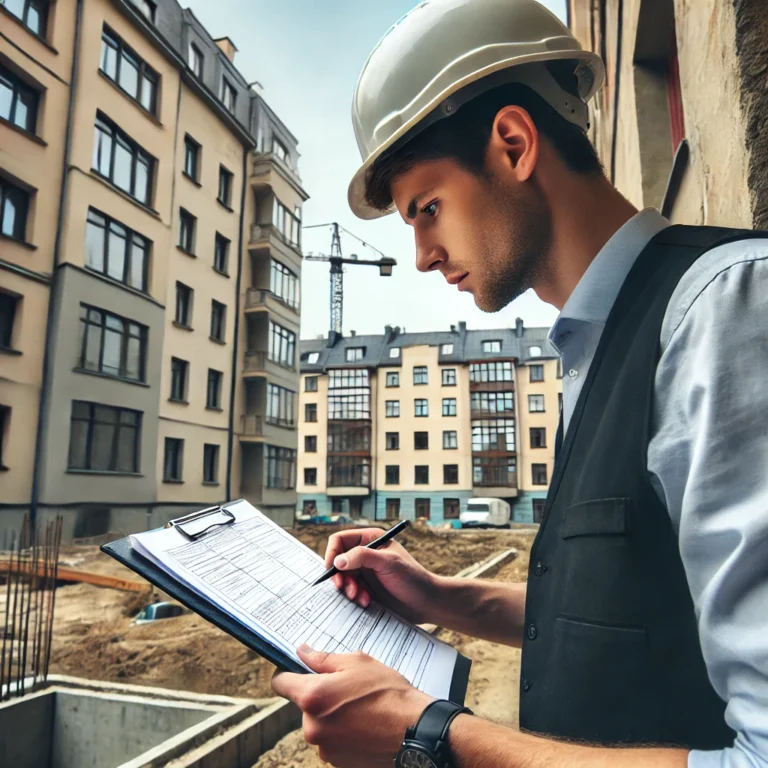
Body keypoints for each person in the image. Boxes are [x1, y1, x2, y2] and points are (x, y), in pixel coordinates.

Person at [272, 0, 768, 766]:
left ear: (512, 144)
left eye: (427, 209)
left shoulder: (722, 313)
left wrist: (432, 736)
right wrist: (439, 595)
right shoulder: (593, 351)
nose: (423, 257)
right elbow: (631, 607)